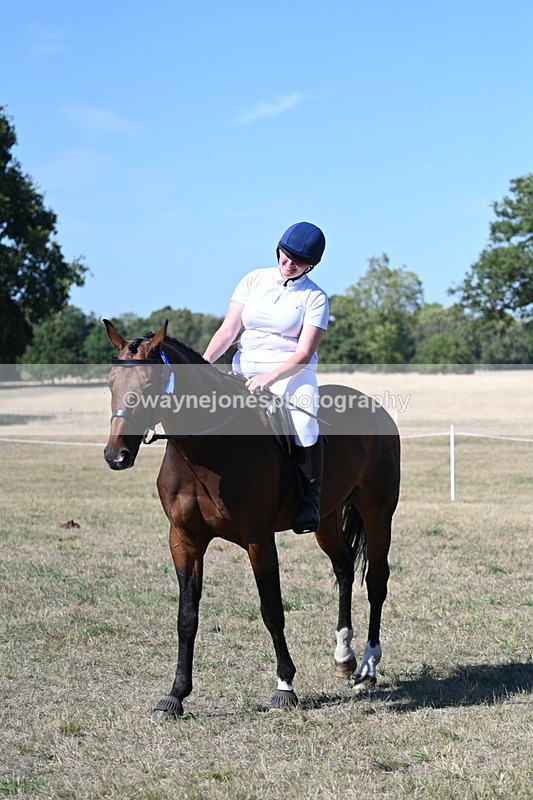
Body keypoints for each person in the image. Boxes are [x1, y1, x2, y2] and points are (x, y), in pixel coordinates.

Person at [203, 221, 329, 534]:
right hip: (244, 369)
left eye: (298, 262)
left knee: (304, 422)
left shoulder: (315, 298)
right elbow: (229, 330)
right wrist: (202, 363)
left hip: (291, 374)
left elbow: (302, 353)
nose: (289, 265)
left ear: (310, 266)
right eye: (285, 257)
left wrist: (269, 377)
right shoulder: (252, 280)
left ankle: (309, 499)